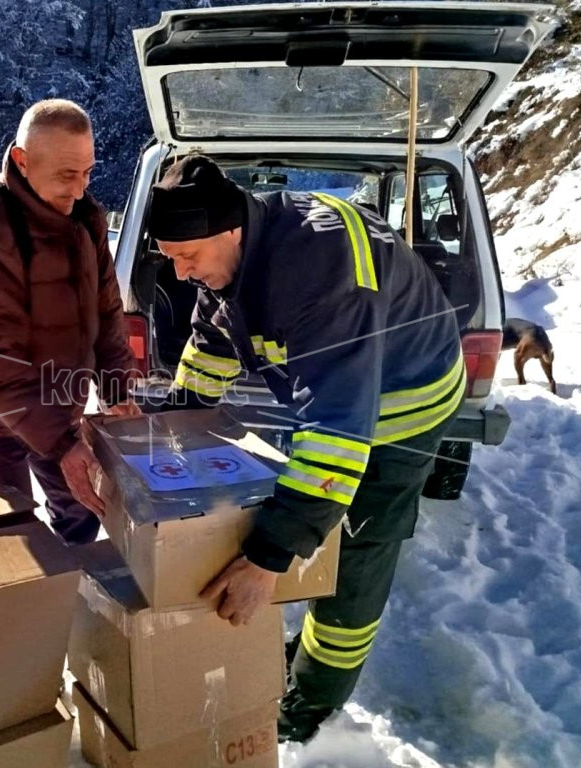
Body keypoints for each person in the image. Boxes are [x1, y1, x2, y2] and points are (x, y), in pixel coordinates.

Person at [146, 154, 464, 742]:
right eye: (171, 259)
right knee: (314, 503)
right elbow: (213, 337)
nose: (183, 272)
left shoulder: (321, 268)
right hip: (343, 391)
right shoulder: (226, 260)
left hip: (405, 398)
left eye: (188, 258)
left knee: (360, 547)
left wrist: (269, 560)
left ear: (231, 229)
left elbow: (338, 431)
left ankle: (312, 706)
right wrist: (171, 426)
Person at [0, 99, 138, 545]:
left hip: (54, 399)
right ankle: (24, 609)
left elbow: (107, 312)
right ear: (23, 161)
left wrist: (117, 388)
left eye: (88, 172)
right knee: (10, 538)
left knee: (83, 510)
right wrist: (63, 445)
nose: (80, 189)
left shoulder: (85, 219)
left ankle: (80, 600)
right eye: (67, 175)